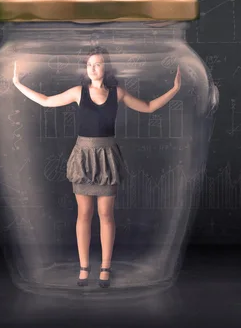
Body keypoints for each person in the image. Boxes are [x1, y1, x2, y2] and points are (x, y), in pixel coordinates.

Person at [12, 46, 181, 288]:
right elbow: (47, 101)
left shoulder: (118, 93)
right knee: (84, 214)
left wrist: (174, 89)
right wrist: (17, 84)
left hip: (107, 158)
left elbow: (149, 106)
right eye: (89, 64)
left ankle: (104, 268)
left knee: (106, 214)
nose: (93, 68)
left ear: (106, 68)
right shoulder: (78, 92)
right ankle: (83, 269)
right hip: (83, 157)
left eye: (98, 64)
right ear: (85, 68)